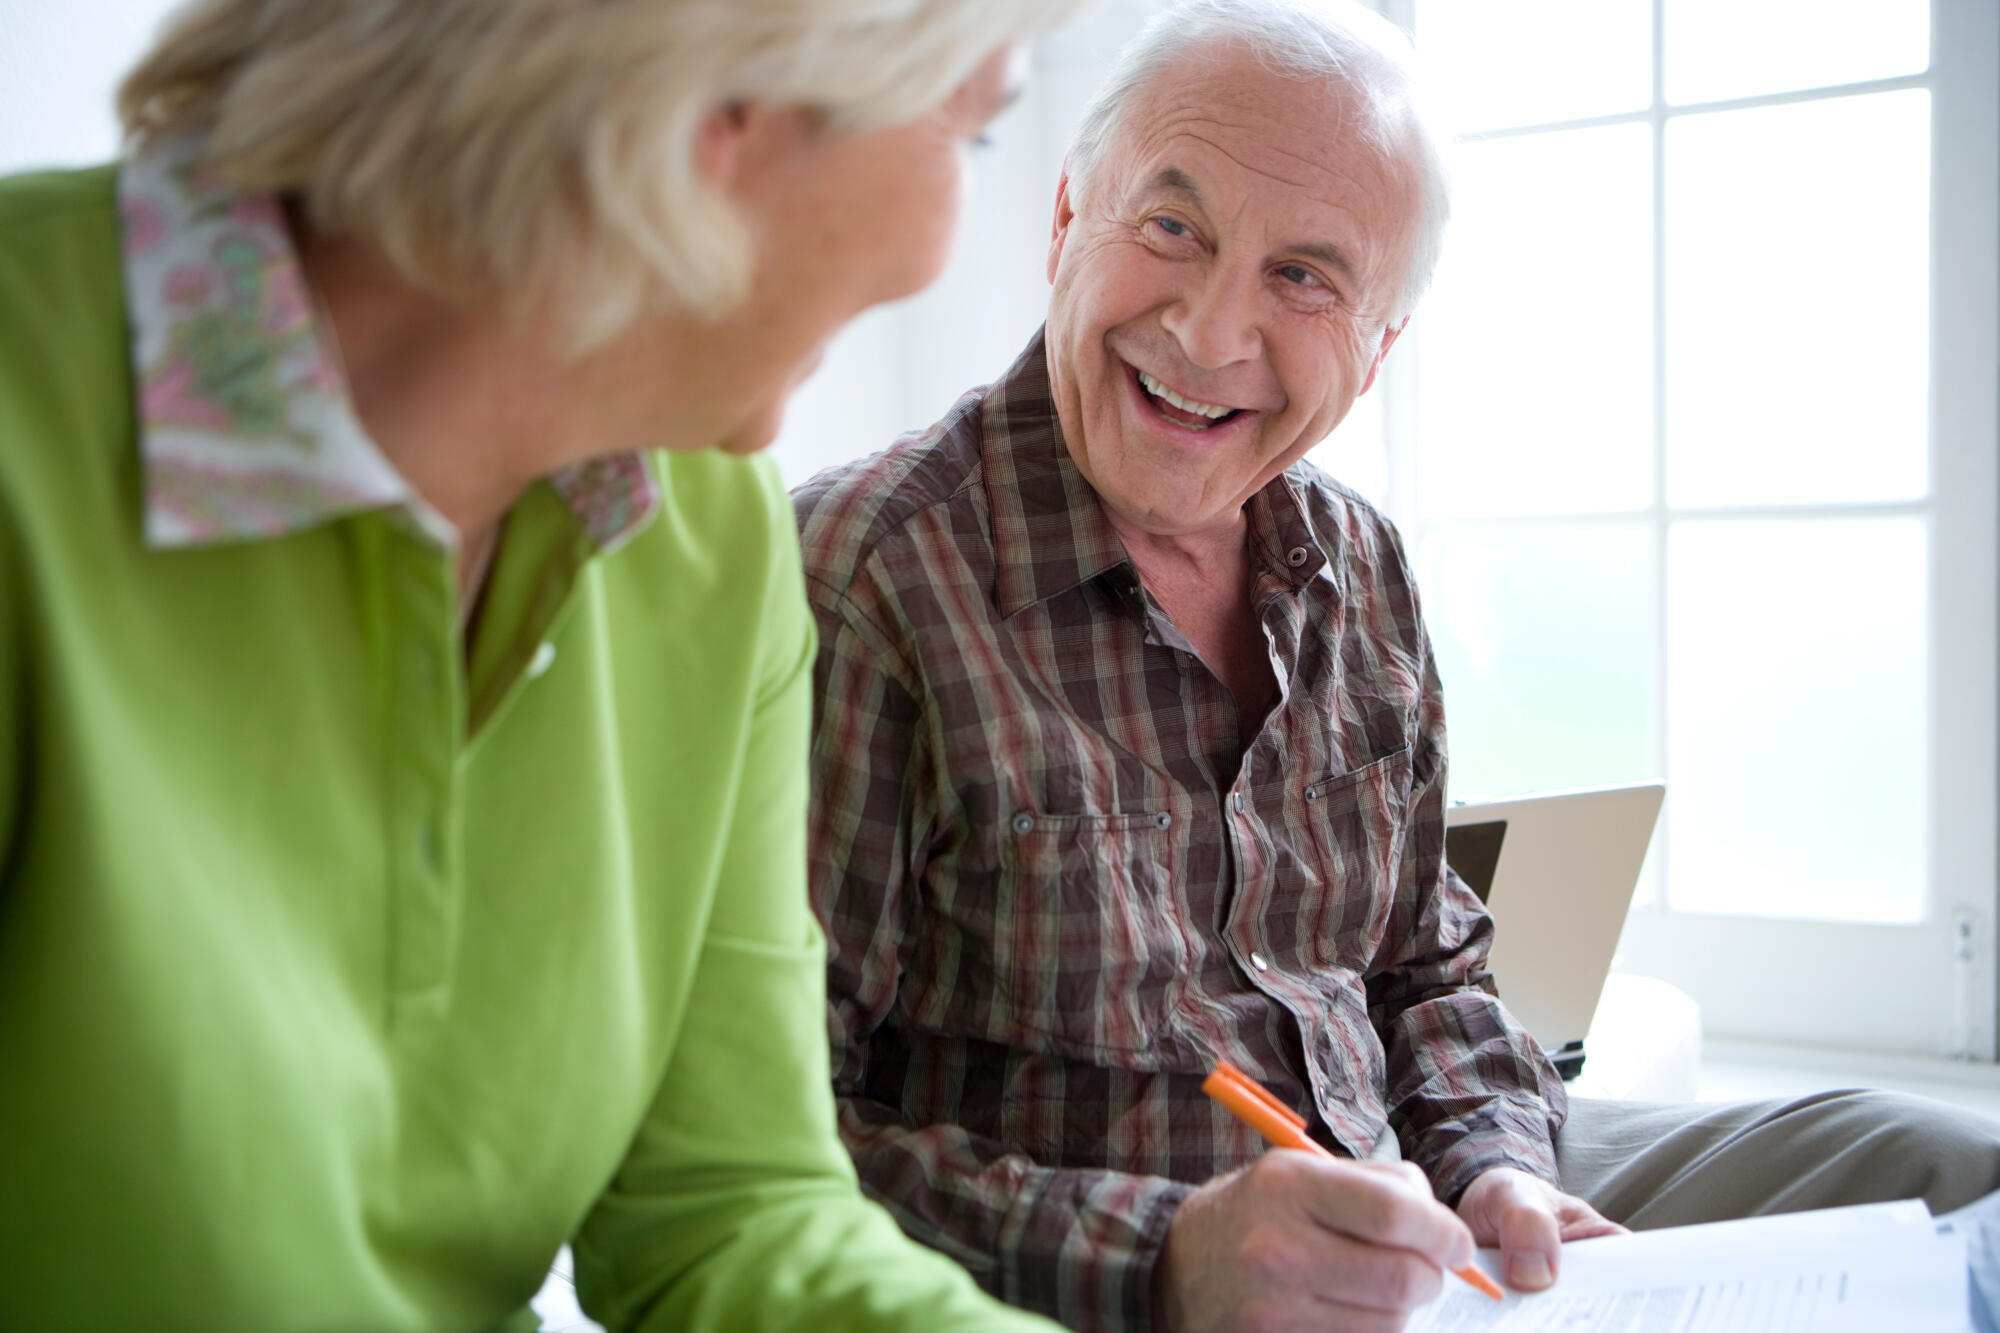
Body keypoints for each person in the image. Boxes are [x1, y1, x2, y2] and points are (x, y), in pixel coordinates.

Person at [791, 1, 2000, 1330]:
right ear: (1066, 221)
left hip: (1418, 1212)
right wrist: (1167, 1253)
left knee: (1939, 1161)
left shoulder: (1355, 564)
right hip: (1116, 1277)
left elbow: (1428, 973)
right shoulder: (863, 576)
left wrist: (1500, 1167)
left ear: (1380, 345)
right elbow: (767, 1149)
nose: (1207, 332)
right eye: (1172, 226)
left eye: (1304, 276)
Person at [0, 1, 1093, 1328]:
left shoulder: (712, 527)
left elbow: (728, 1214)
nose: (943, 256)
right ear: (719, 94)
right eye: (973, 134)